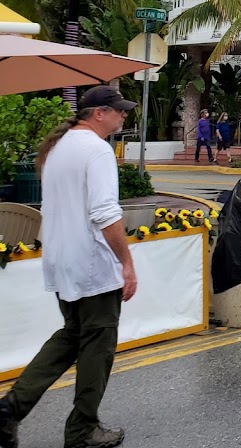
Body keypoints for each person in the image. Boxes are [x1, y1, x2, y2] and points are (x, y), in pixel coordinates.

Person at [0, 85, 138, 448]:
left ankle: (10, 409)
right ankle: (83, 429)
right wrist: (126, 262)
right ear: (98, 113)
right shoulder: (97, 150)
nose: (124, 114)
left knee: (72, 336)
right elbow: (105, 213)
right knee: (98, 347)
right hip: (91, 264)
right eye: (118, 109)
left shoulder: (57, 148)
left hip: (61, 260)